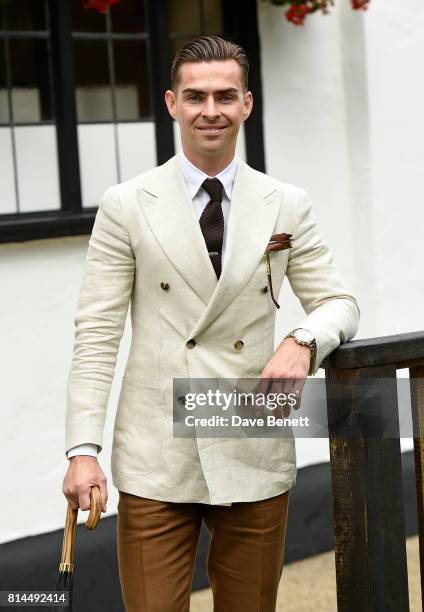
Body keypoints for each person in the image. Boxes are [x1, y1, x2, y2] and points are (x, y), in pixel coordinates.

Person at [63, 35, 359, 611]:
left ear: (248, 104)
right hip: (156, 452)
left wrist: (303, 341)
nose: (211, 110)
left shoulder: (285, 202)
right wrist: (82, 448)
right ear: (172, 104)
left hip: (251, 440)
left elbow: (338, 302)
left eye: (226, 96)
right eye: (195, 96)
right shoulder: (126, 203)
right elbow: (97, 331)